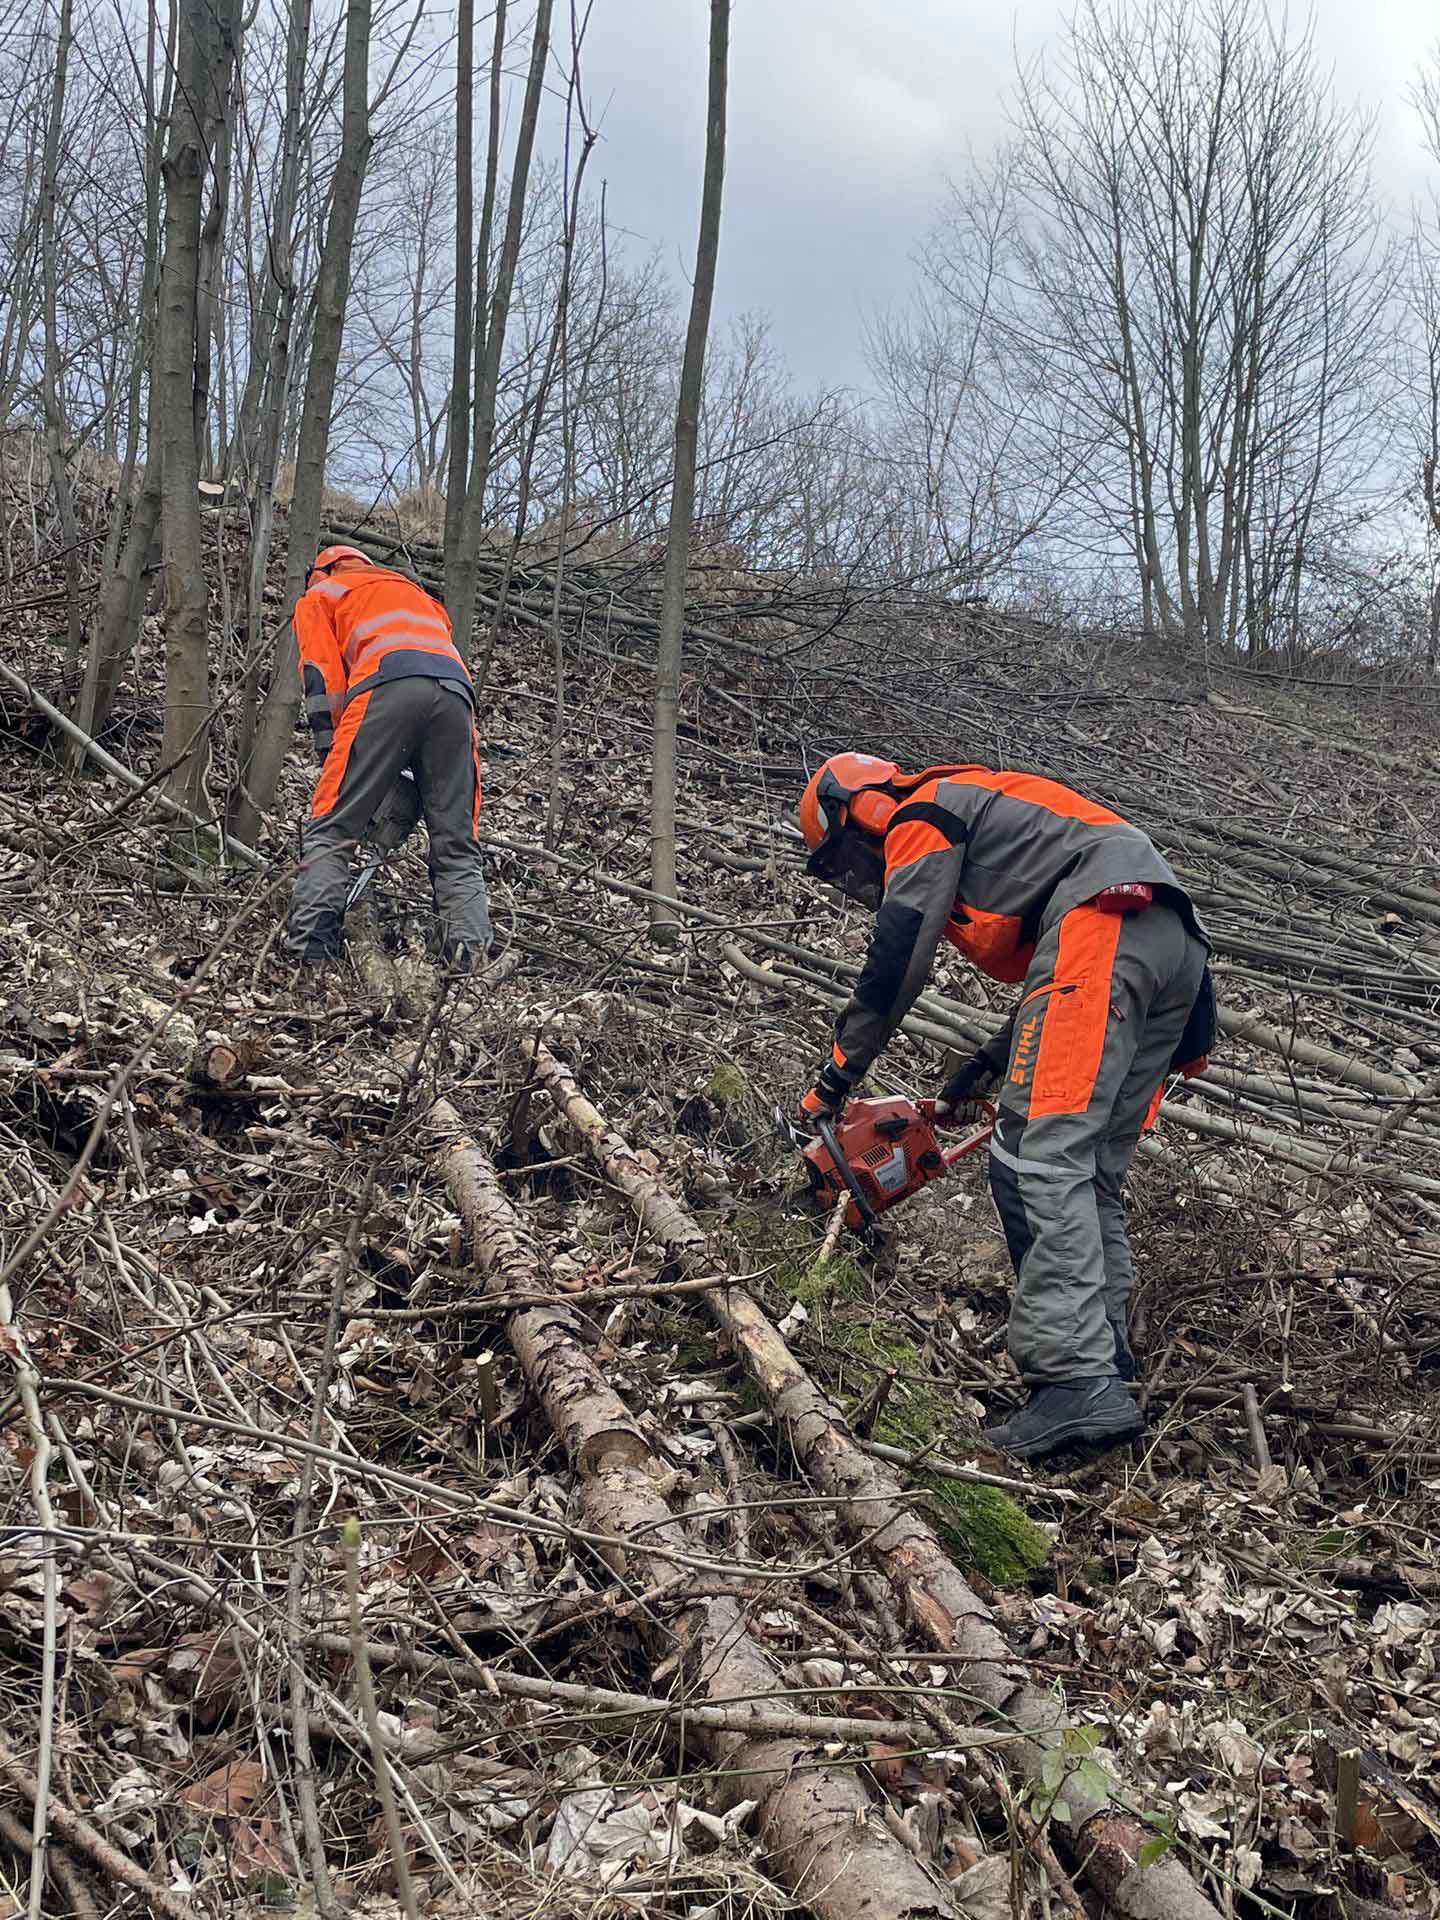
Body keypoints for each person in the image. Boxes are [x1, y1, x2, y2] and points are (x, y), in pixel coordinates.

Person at [796, 752, 1215, 1460]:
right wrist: (986, 1067)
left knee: (1037, 1157)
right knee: (1088, 1172)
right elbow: (1070, 973)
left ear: (855, 811)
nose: (860, 877)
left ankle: (1074, 1381)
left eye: (848, 860)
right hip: (1173, 947)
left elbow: (900, 956)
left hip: (1108, 925)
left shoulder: (921, 812)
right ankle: (1105, 1362)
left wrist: (835, 1078)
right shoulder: (991, 808)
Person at [284, 545, 492, 967]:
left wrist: (333, 753)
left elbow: (322, 677)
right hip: (456, 698)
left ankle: (310, 952)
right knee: (456, 842)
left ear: (323, 570)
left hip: (383, 686)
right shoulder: (414, 593)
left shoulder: (323, 595)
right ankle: (469, 960)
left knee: (333, 825)